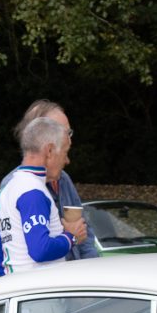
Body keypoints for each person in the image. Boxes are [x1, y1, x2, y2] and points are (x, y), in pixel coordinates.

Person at [0, 113, 90, 276]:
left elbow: (0, 260)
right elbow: (40, 250)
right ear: (50, 150)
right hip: (40, 294)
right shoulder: (32, 191)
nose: (67, 161)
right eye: (65, 152)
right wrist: (71, 237)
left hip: (18, 291)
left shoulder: (5, 191)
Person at [21, 100, 100, 257]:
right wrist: (69, 236)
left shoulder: (63, 179)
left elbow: (86, 235)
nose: (69, 141)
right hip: (49, 279)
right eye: (63, 133)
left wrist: (94, 269)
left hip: (75, 276)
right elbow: (37, 250)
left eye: (69, 132)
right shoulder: (18, 187)